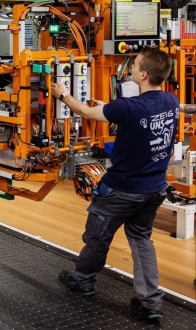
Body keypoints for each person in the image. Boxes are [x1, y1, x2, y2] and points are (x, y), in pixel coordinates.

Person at [50, 48, 178, 321]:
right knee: (142, 240)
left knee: (97, 238)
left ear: (142, 75)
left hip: (122, 190)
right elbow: (133, 118)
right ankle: (150, 303)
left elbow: (84, 111)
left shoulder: (128, 107)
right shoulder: (170, 100)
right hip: (154, 189)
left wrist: (62, 94)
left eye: (134, 66)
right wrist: (106, 107)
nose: (130, 68)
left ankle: (82, 279)